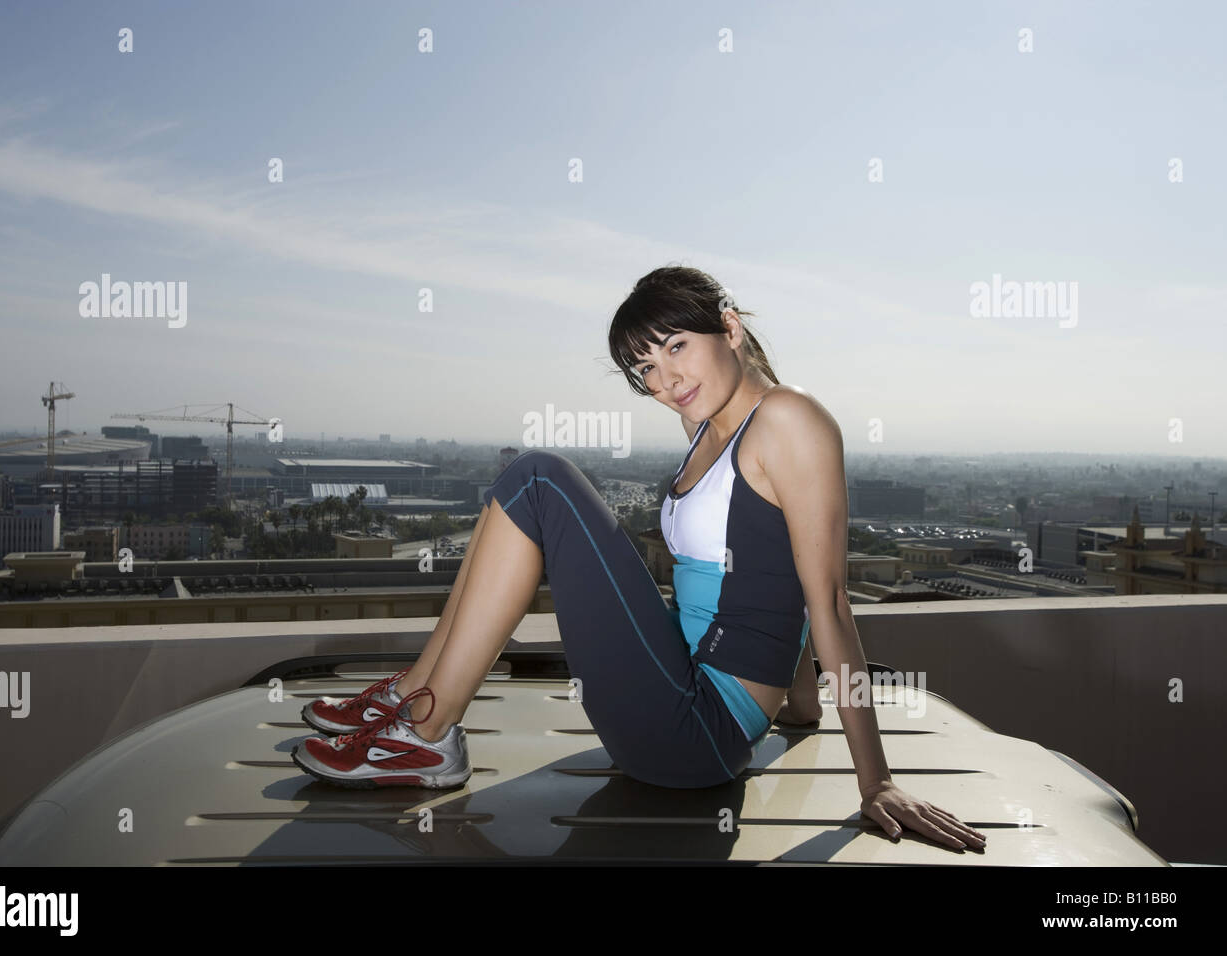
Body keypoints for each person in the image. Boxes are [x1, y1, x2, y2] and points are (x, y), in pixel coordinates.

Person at [292, 264, 986, 850]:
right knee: (518, 485)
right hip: (676, 696)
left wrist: (876, 781)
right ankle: (416, 693)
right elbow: (773, 579)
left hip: (697, 732)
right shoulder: (704, 428)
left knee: (537, 478)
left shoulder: (789, 419)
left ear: (731, 327)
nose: (665, 380)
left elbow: (826, 598)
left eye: (677, 347)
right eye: (646, 368)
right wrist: (798, 713)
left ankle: (427, 733)